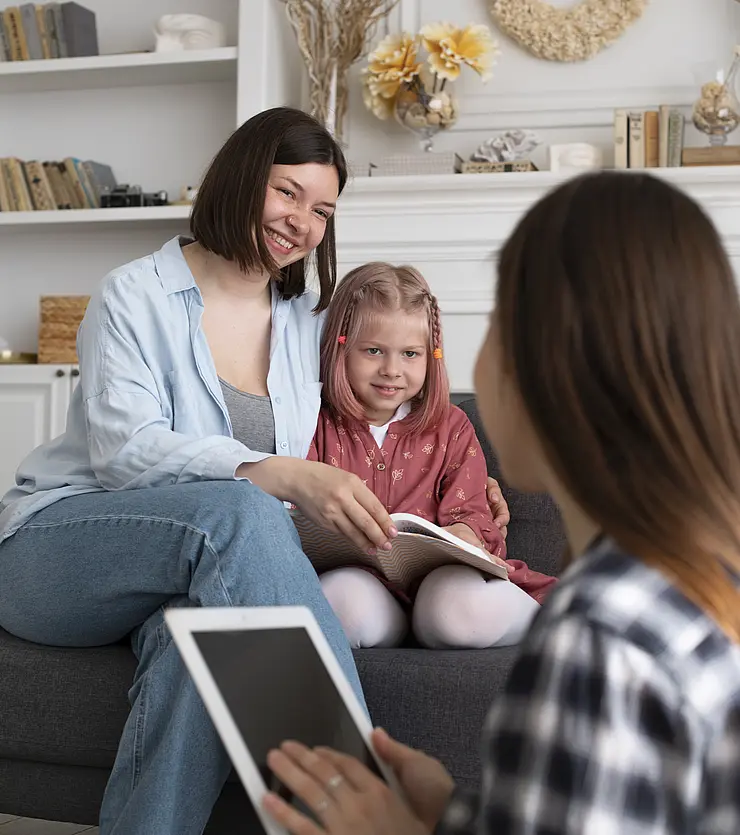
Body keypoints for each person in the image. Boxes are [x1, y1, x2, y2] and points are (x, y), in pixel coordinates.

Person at [261, 170, 740, 835]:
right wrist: (455, 816)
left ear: (539, 369)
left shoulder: (595, 642)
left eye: (491, 326)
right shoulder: (688, 590)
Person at [309, 262, 555, 649]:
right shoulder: (315, 425)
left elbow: (471, 507)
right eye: (373, 351)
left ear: (431, 356)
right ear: (341, 346)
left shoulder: (450, 427)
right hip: (365, 584)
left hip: (442, 583)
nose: (392, 370)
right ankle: (396, 626)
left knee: (453, 610)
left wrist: (465, 532)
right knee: (337, 601)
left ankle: (550, 619)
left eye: (410, 354)